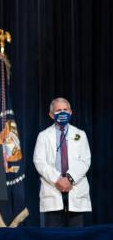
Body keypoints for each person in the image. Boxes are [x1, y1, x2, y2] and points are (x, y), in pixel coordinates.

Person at [33, 97, 91, 227]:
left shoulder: (80, 134)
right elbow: (39, 161)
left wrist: (69, 179)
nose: (62, 113)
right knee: (53, 239)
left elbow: (85, 161)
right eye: (59, 110)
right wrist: (58, 180)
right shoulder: (43, 136)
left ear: (70, 112)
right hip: (53, 188)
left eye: (65, 110)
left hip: (75, 189)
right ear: (51, 115)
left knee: (77, 238)